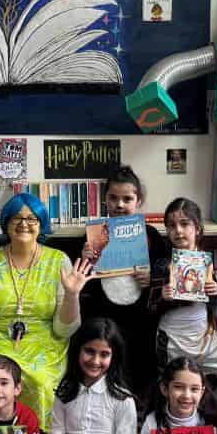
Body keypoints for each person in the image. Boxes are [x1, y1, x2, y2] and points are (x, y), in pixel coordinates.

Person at [0, 193, 89, 429]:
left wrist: (71, 295)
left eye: (32, 218)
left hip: (45, 343)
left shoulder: (58, 260)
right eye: (16, 218)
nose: (24, 224)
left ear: (41, 224)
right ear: (6, 224)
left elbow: (64, 329)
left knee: (38, 382)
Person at [77, 167, 168, 398]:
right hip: (106, 317)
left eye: (127, 199)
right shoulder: (94, 235)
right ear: (104, 199)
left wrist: (152, 279)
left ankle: (137, 417)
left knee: (140, 374)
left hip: (141, 320)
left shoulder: (151, 236)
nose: (119, 204)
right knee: (107, 374)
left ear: (138, 201)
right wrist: (85, 259)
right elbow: (80, 284)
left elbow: (167, 276)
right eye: (113, 198)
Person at [154, 197, 217, 417]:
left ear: (197, 229)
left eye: (184, 224)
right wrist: (163, 297)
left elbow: (215, 302)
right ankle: (179, 432)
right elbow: (150, 306)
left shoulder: (206, 262)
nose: (178, 231)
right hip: (173, 339)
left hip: (204, 339)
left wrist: (215, 292)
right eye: (171, 226)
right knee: (173, 388)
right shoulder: (162, 264)